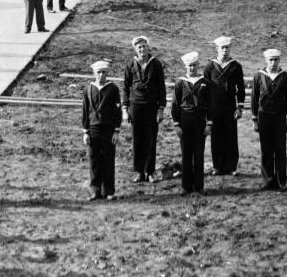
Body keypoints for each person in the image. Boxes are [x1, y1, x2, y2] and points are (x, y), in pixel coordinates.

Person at [121, 36, 166, 184]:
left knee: (151, 138)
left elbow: (161, 88)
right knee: (137, 139)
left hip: (152, 106)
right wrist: (125, 109)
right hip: (136, 106)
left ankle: (150, 171)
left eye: (144, 46)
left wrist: (160, 109)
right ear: (135, 49)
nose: (142, 49)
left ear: (148, 47)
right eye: (139, 47)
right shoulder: (130, 65)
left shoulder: (156, 64)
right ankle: (139, 171)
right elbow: (125, 88)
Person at [251, 49, 287, 190]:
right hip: (264, 117)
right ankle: (267, 180)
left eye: (276, 60)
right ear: (265, 60)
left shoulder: (285, 76)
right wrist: (254, 120)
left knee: (280, 150)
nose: (273, 63)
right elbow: (254, 99)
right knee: (266, 149)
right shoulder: (259, 76)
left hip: (280, 118)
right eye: (270, 60)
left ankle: (281, 181)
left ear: (279, 60)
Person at [203, 37, 244, 177]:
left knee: (231, 136)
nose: (225, 50)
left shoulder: (236, 66)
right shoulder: (210, 66)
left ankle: (231, 166)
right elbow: (205, 89)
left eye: (227, 47)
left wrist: (240, 107)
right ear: (217, 49)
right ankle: (218, 166)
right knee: (216, 137)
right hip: (214, 107)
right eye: (222, 48)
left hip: (230, 107)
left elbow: (241, 87)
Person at [171, 52, 211, 196]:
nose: (192, 68)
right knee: (186, 154)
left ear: (198, 65)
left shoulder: (204, 82)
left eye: (194, 65)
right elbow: (175, 104)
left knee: (199, 154)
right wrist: (176, 124)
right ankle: (186, 186)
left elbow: (209, 104)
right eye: (189, 66)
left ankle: (199, 186)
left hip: (200, 121)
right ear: (185, 66)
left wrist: (209, 124)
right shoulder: (180, 83)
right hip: (185, 121)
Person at [81, 61, 122, 202]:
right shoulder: (88, 89)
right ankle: (95, 191)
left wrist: (116, 131)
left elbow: (117, 111)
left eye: (104, 72)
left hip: (108, 129)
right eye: (98, 72)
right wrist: (85, 131)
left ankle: (109, 191)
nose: (101, 75)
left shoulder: (113, 89)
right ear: (94, 73)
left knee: (108, 160)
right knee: (94, 160)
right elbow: (85, 111)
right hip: (93, 129)